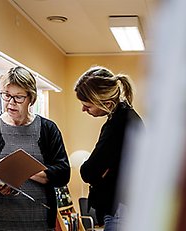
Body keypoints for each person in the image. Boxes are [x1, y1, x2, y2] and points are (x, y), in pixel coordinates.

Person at [0, 66, 70, 231]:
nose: (11, 103)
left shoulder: (48, 129)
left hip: (40, 223)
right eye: (6, 96)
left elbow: (63, 173)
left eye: (18, 97)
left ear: (31, 98)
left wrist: (21, 170)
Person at [74, 66, 144, 231]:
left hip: (120, 209)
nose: (83, 109)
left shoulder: (118, 124)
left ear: (106, 103)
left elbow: (89, 171)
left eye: (87, 105)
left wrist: (96, 171)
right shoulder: (126, 117)